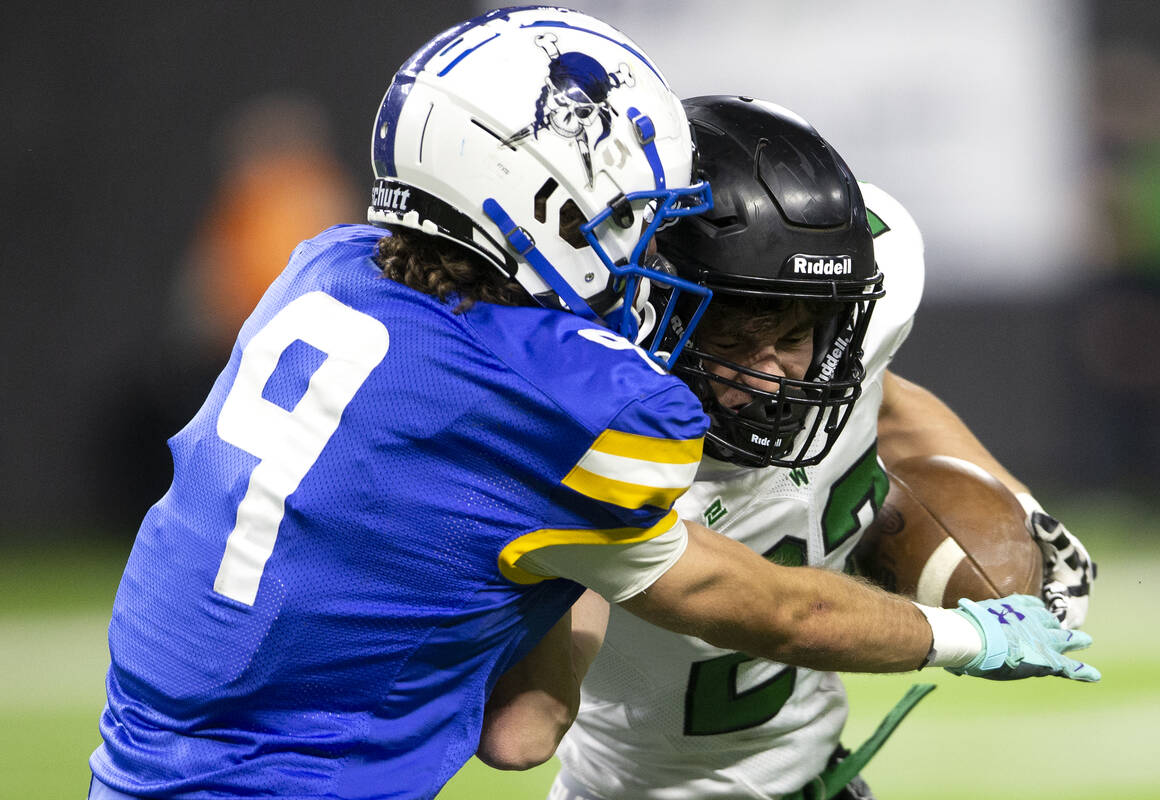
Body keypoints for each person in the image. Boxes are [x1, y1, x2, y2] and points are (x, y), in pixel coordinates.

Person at [89, 11, 1095, 800]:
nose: (637, 240)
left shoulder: (324, 269)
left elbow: (885, 394)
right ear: (531, 201)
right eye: (624, 209)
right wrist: (967, 635)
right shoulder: (567, 393)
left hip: (137, 752)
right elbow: (596, 686)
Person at [548, 96, 1098, 800]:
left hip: (824, 781)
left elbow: (887, 395)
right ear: (655, 311)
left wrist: (1018, 507)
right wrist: (971, 635)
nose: (774, 374)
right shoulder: (607, 452)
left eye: (793, 337)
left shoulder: (852, 326)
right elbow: (787, 612)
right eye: (736, 342)